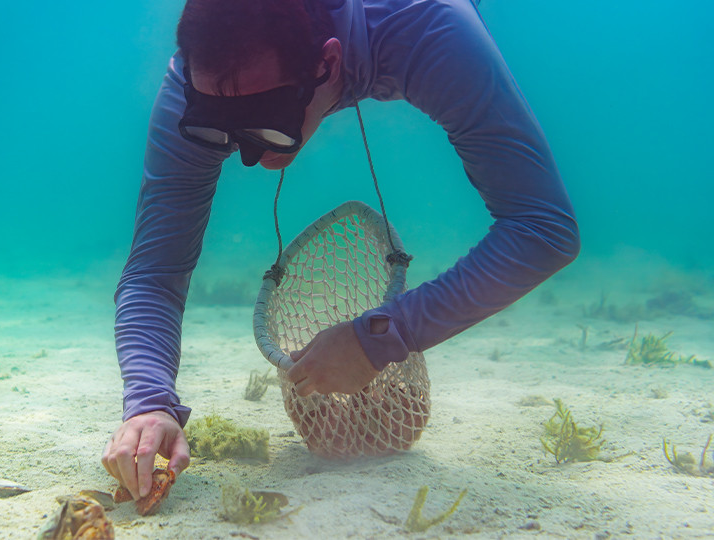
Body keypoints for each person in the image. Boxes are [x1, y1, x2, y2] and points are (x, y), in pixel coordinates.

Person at [102, 0, 580, 501]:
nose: (249, 158)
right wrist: (149, 400)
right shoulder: (199, 82)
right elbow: (153, 274)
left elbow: (543, 228)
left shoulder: (427, 28)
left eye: (266, 123)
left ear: (329, 65)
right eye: (216, 128)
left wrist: (382, 336)